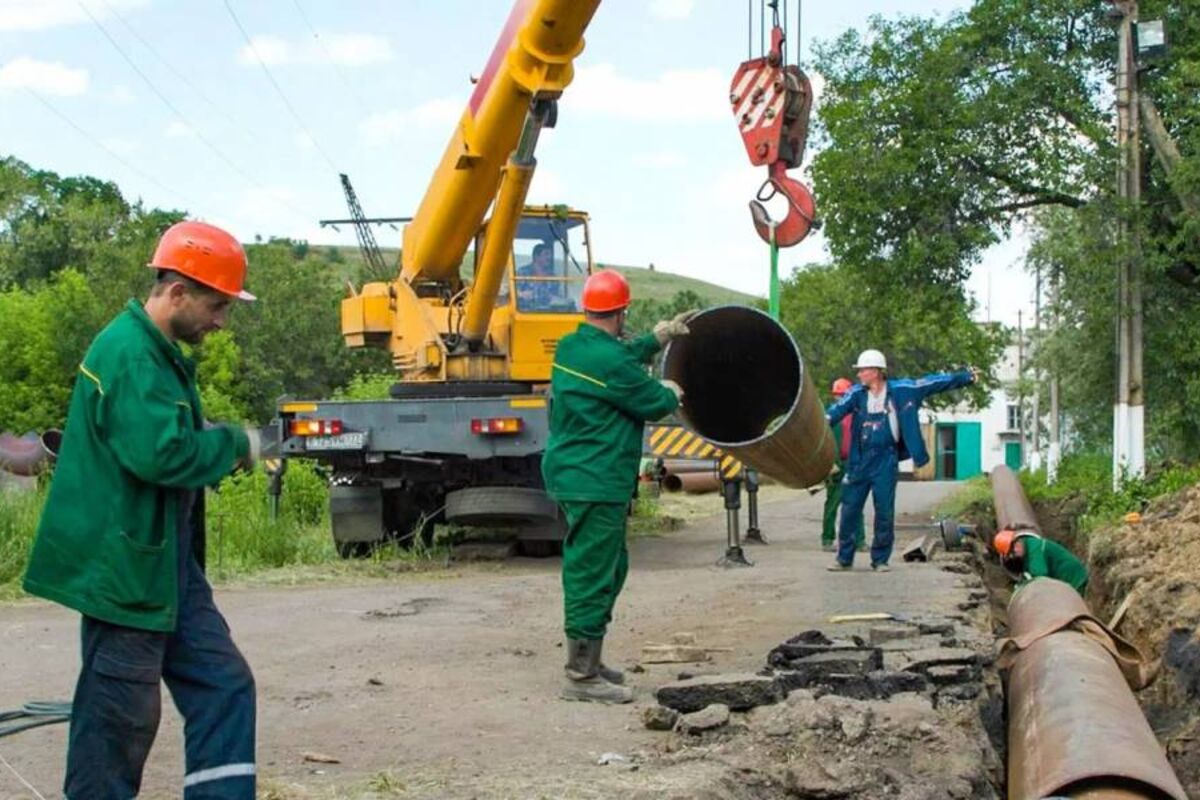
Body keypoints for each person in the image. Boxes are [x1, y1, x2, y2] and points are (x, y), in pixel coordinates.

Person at [22, 221, 261, 799]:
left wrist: (198, 431)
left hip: (163, 562)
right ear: (177, 292)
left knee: (224, 684)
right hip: (124, 566)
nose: (221, 320)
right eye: (216, 305)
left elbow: (159, 433)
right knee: (118, 720)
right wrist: (235, 444)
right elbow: (161, 455)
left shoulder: (154, 355)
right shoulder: (130, 355)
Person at [541, 269, 690, 704]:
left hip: (580, 474)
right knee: (592, 570)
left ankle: (591, 657)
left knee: (610, 566)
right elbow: (651, 399)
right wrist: (670, 391)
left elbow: (618, 356)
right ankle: (580, 675)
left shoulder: (574, 346)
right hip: (594, 477)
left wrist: (655, 339)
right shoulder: (612, 365)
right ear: (621, 311)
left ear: (588, 309)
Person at [825, 349, 979, 572]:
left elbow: (934, 383)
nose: (859, 375)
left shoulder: (903, 391)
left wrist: (965, 377)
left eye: (863, 370)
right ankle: (844, 558)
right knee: (849, 510)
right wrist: (821, 423)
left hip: (886, 460)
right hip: (859, 460)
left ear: (877, 372)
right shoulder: (856, 394)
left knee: (884, 512)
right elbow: (835, 412)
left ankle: (880, 559)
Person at [821, 378, 864, 553]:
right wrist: (829, 463)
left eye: (843, 395)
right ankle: (827, 539)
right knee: (832, 503)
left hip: (853, 464)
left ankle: (859, 541)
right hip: (836, 466)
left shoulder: (858, 415)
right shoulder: (829, 416)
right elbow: (822, 442)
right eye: (838, 395)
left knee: (856, 503)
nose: (840, 399)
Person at [993, 529, 1089, 595]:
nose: (1015, 555)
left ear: (1017, 542)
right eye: (1011, 555)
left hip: (1073, 578)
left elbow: (1040, 575)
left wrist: (1024, 585)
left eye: (1013, 551)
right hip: (1062, 580)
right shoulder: (1027, 545)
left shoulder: (1035, 548)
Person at [516, 241, 557, 310]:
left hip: (548, 313)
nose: (549, 257)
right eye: (546, 254)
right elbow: (512, 292)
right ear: (536, 256)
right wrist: (522, 294)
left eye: (550, 254)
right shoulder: (523, 272)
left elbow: (557, 295)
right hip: (525, 313)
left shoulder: (553, 276)